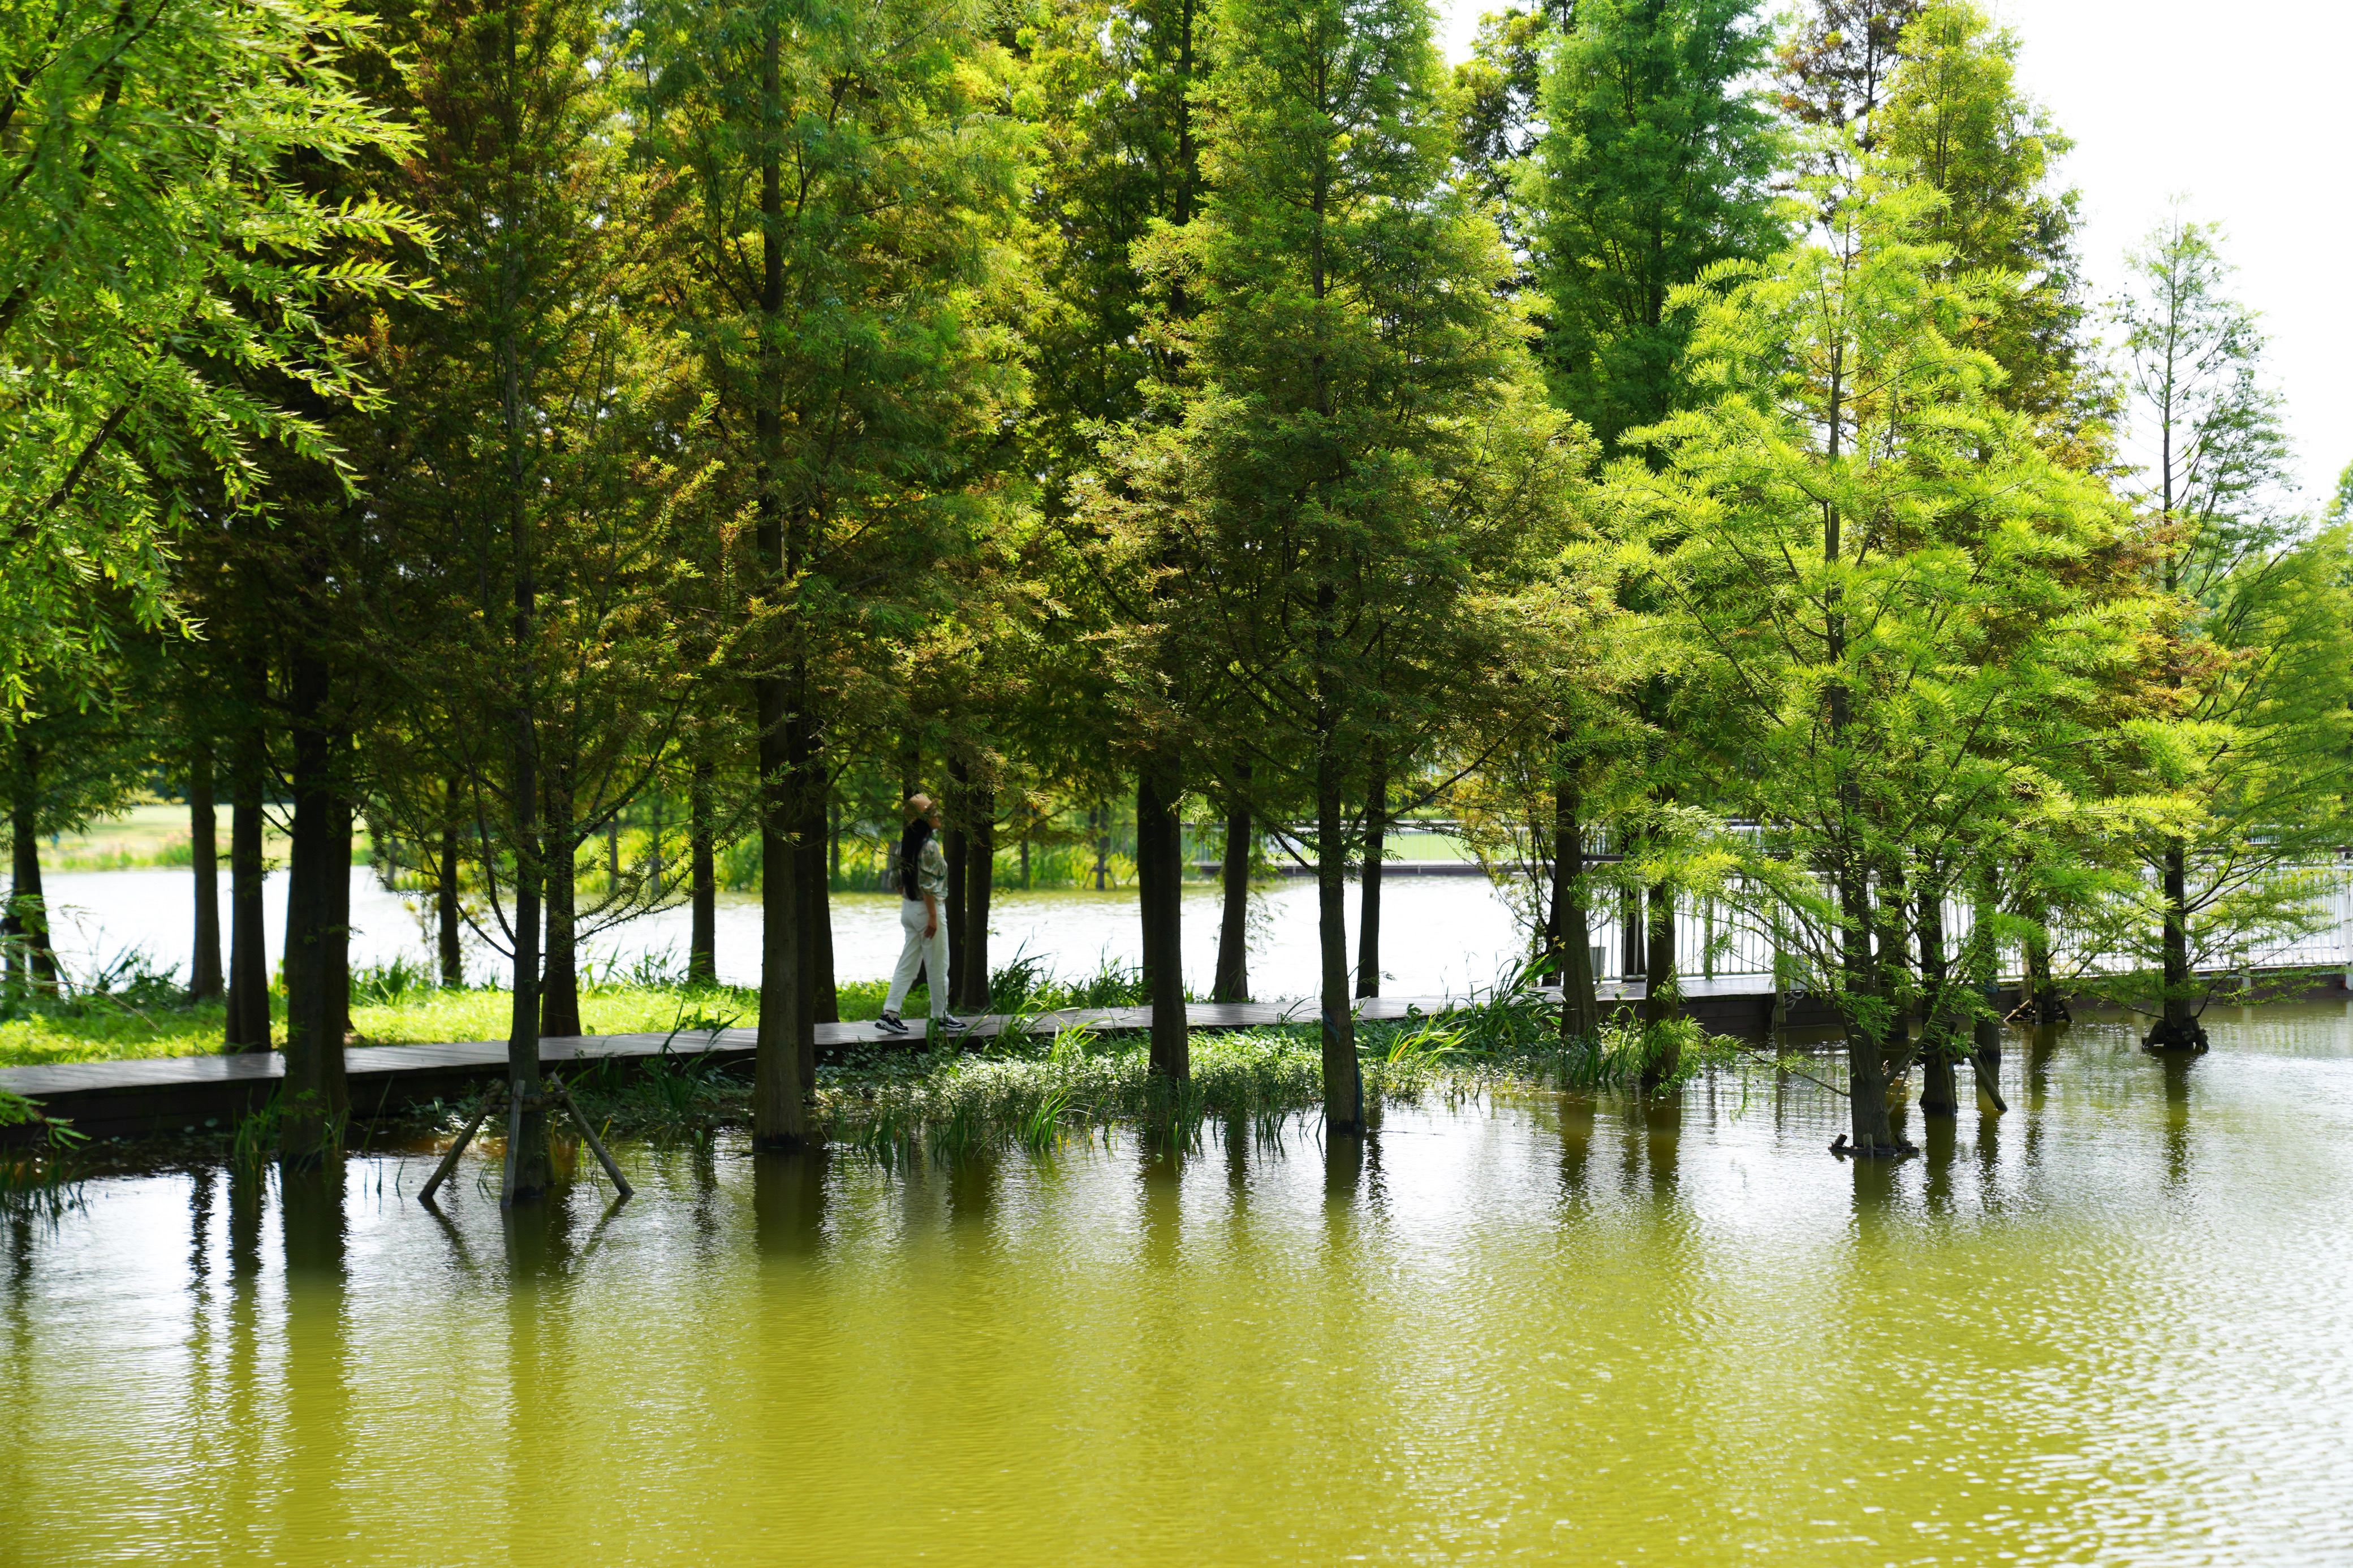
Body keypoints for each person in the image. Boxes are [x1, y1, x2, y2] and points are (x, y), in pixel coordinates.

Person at [877, 793, 967, 1034]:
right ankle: (940, 1016)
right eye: (933, 813)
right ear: (923, 819)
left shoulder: (906, 843)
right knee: (939, 965)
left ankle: (890, 1013)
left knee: (907, 965)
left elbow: (896, 880)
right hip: (927, 910)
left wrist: (912, 902)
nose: (938, 816)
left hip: (909, 908)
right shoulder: (929, 846)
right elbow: (929, 885)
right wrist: (932, 916)